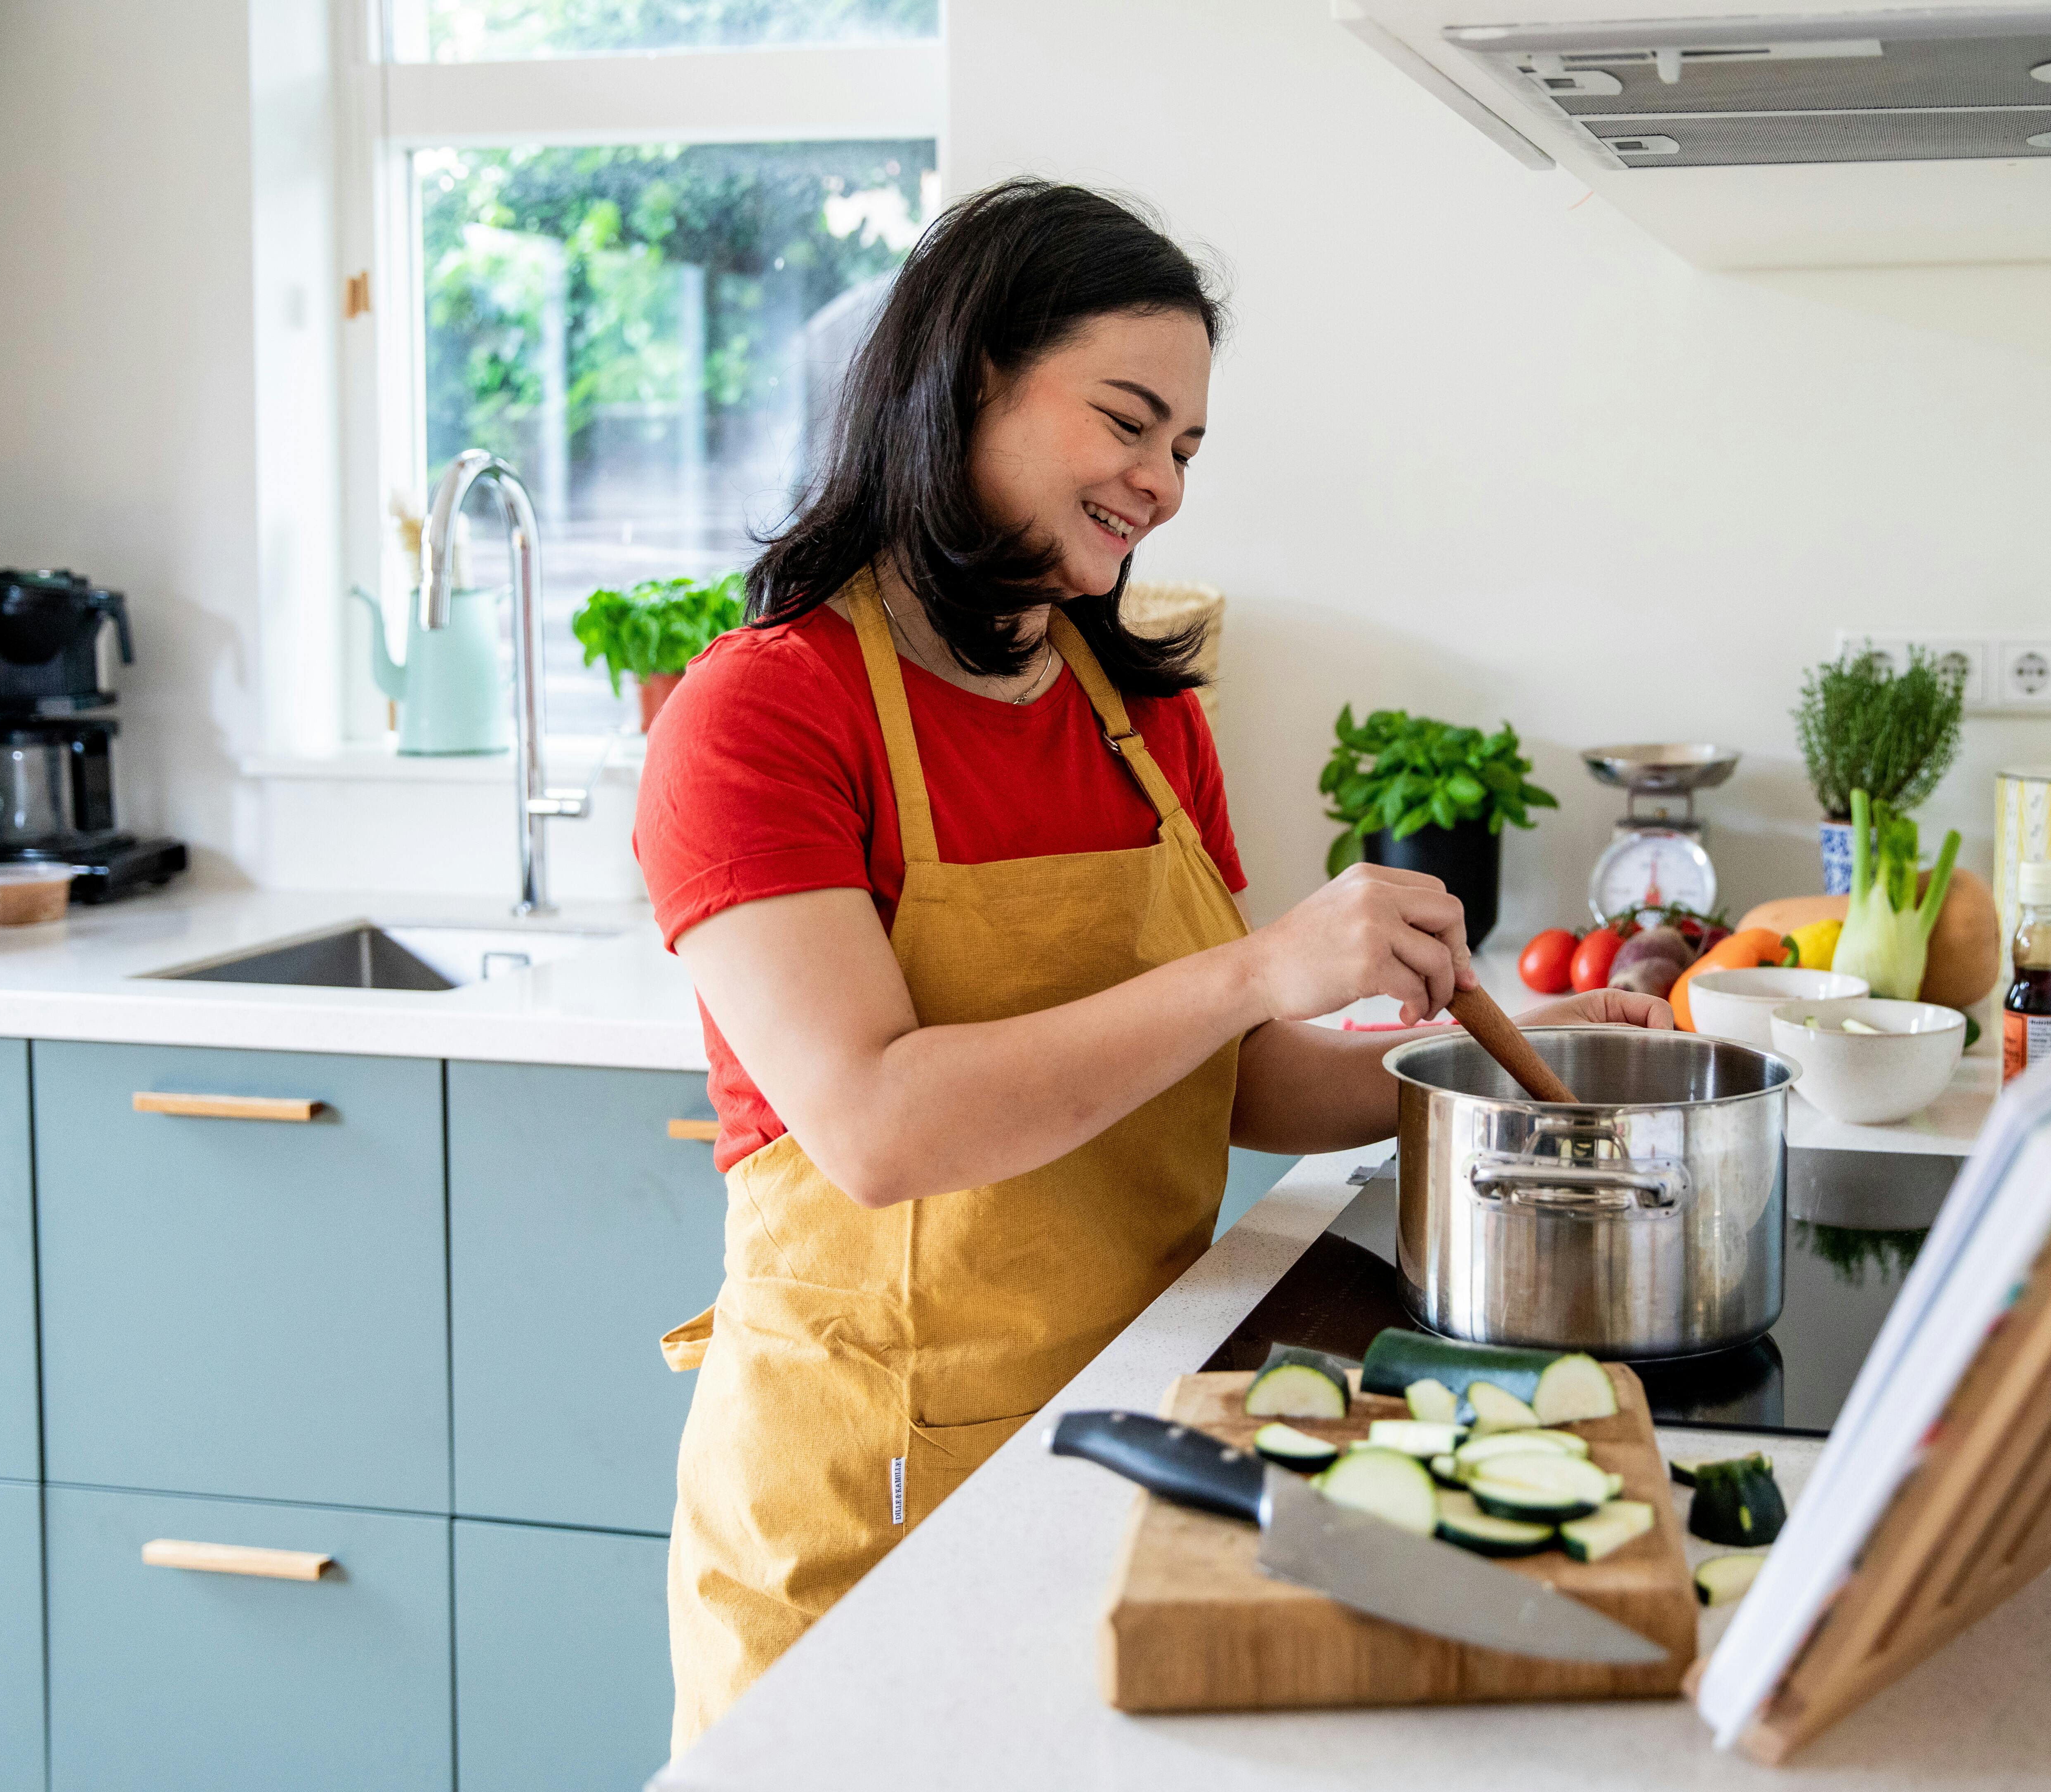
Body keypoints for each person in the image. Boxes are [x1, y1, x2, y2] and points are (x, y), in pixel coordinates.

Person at [632, 178, 1670, 1751]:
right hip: (873, 1491)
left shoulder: (1141, 715)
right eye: (1130, 422)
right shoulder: (765, 710)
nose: (1162, 483)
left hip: (1138, 1425)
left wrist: (1497, 1069)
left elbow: (1229, 1079)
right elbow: (881, 1125)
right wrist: (1259, 966)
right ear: (973, 374)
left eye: (1185, 447)